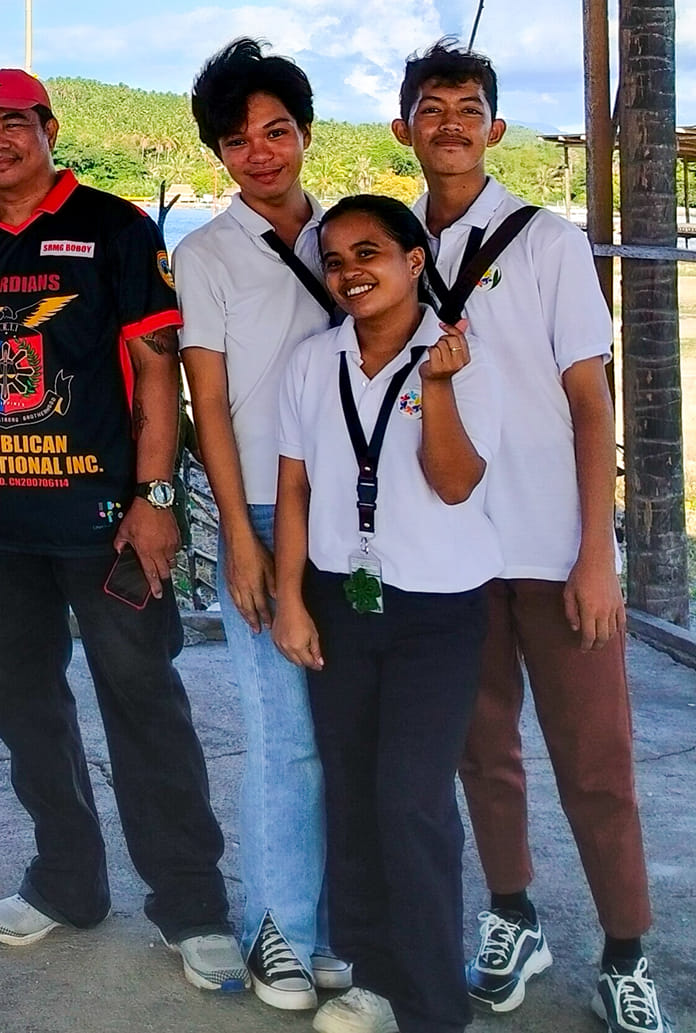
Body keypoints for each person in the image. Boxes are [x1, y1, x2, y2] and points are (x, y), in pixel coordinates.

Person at [0, 68, 245, 994]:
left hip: (107, 523)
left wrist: (157, 496)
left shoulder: (115, 227)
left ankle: (192, 905)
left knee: (144, 705)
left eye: (13, 122)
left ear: (50, 128)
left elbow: (156, 371)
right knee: (21, 706)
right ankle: (67, 881)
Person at [391, 42, 666, 1033]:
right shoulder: (392, 252)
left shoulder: (547, 243)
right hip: (454, 555)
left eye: (468, 108)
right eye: (431, 108)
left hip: (554, 550)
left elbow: (590, 403)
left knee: (596, 761)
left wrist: (598, 553)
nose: (450, 124)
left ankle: (626, 953)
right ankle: (513, 914)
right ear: (402, 129)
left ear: (494, 128)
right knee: (481, 751)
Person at [271, 195, 503, 1033]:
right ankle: (371, 974)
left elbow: (455, 481)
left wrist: (436, 387)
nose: (349, 272)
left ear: (414, 260)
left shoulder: (463, 357)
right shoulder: (314, 361)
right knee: (354, 789)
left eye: (368, 252)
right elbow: (294, 485)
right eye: (335, 261)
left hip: (437, 607)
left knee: (412, 800)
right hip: (341, 599)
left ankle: (434, 1004)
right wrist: (291, 598)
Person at [176, 40, 351, 1011]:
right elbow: (206, 402)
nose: (260, 154)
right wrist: (238, 541)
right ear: (218, 153)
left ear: (305, 132)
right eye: (238, 141)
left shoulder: (353, 239)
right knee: (283, 730)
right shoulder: (205, 254)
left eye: (276, 131)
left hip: (358, 516)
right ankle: (276, 927)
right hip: (257, 511)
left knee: (352, 729)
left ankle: (338, 928)